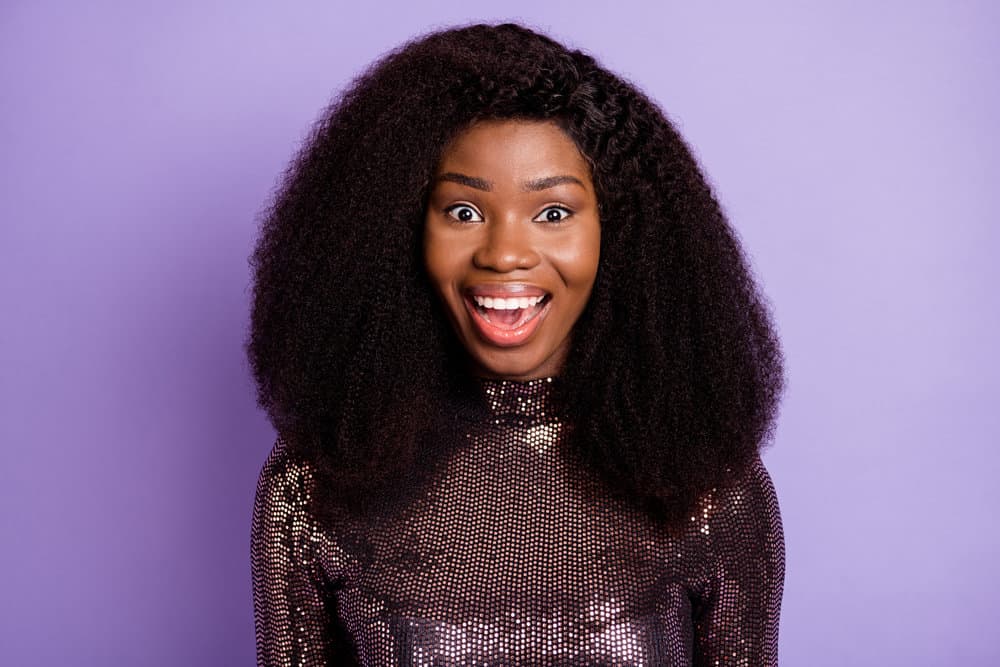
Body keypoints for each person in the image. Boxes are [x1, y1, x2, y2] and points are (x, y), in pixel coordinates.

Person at [247, 22, 785, 666]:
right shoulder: (318, 480)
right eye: (464, 211)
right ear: (397, 232)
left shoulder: (705, 482)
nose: (504, 255)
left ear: (620, 232)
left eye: (553, 213)